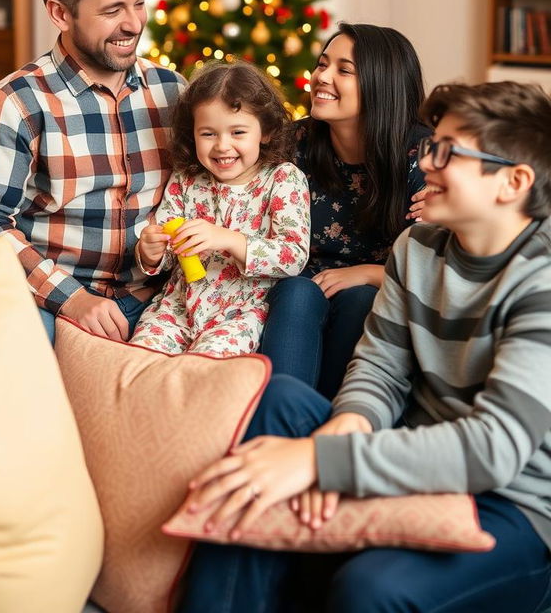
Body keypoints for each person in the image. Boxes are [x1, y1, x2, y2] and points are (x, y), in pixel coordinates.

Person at [178, 79, 551, 613]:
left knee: (371, 588)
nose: (426, 165)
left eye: (448, 153)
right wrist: (347, 425)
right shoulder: (417, 247)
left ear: (512, 182)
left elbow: (494, 447)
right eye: (430, 148)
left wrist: (327, 460)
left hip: (509, 503)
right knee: (281, 399)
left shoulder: (541, 281)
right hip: (409, 454)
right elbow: (379, 370)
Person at [0, 0, 186, 343]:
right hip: (59, 300)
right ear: (61, 13)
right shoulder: (15, 102)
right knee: (16, 361)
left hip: (164, 299)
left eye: (139, 3)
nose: (134, 24)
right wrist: (72, 299)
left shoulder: (174, 91)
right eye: (113, 11)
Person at [260, 22, 429, 397]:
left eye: (343, 69)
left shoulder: (425, 157)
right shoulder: (292, 143)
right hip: (297, 287)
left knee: (361, 301)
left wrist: (368, 273)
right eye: (322, 64)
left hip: (376, 289)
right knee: (296, 292)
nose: (322, 77)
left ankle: (332, 428)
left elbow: (438, 268)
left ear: (380, 83)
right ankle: (283, 420)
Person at [131, 61, 310, 356]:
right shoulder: (186, 179)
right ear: (193, 134)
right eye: (208, 134)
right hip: (177, 308)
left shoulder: (283, 179)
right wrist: (150, 252)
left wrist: (227, 238)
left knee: (205, 369)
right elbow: (163, 245)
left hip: (241, 315)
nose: (222, 146)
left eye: (237, 132)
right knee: (140, 361)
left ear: (265, 132)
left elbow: (293, 256)